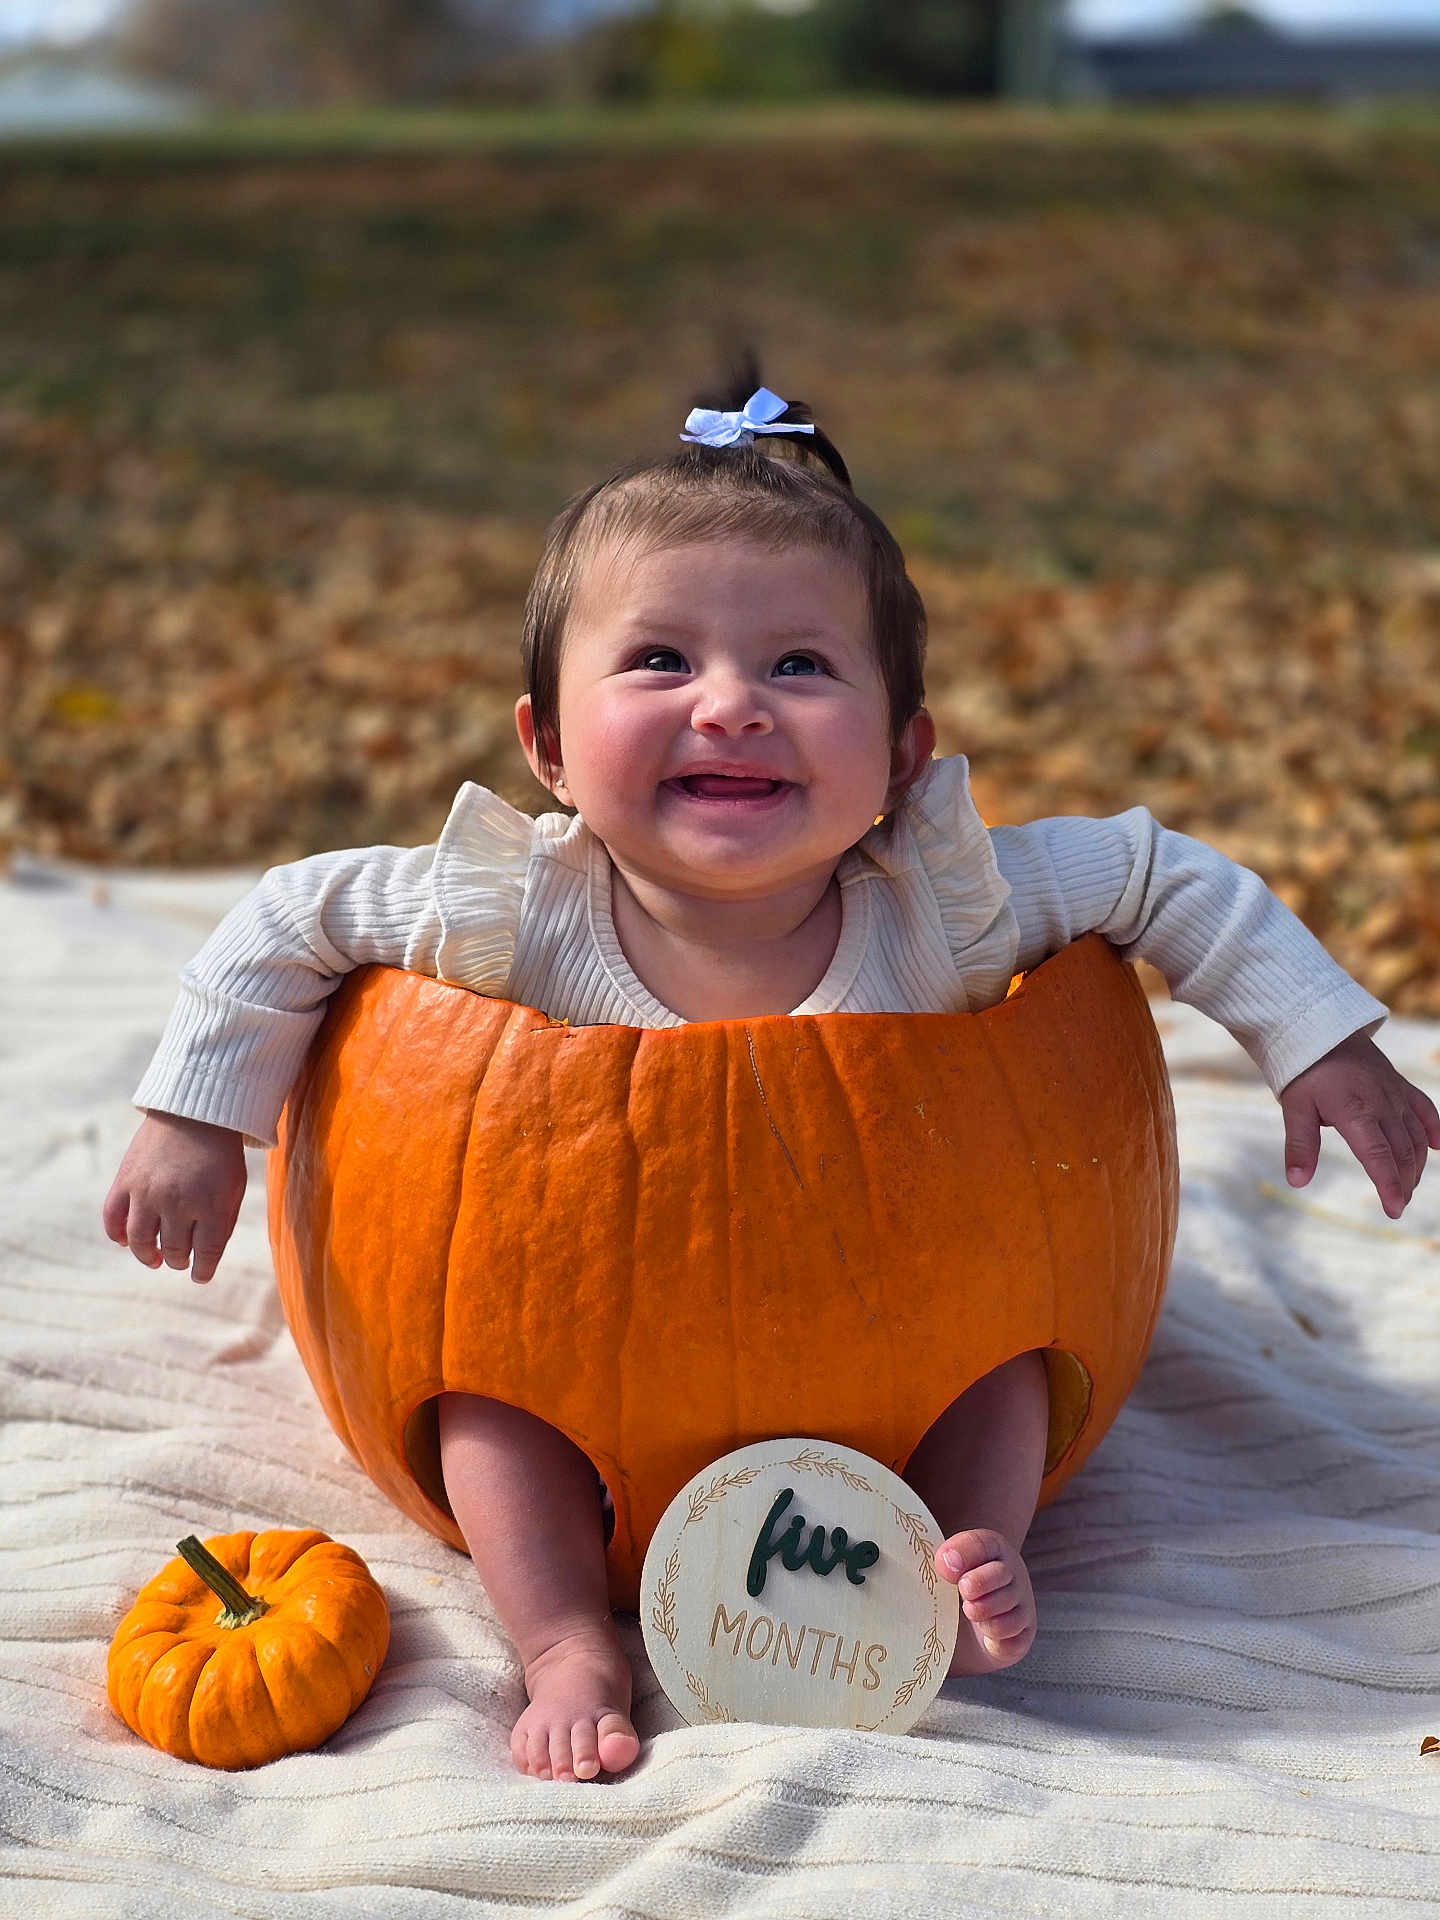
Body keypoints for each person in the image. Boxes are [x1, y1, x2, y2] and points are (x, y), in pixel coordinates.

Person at [104, 367, 1439, 1786]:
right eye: (660, 662)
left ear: (904, 754)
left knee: (1009, 1367)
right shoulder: (503, 915)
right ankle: (563, 1638)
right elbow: (289, 918)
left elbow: (1166, 876)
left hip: (902, 1339)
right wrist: (196, 1113)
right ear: (547, 744)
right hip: (570, 1354)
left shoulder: (950, 905)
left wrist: (1320, 1039)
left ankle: (958, 1558)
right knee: (479, 1405)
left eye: (801, 667)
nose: (732, 705)